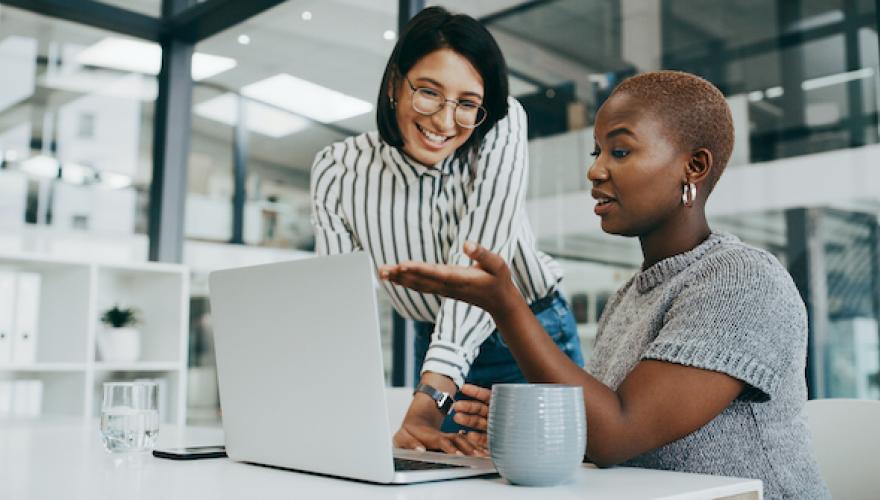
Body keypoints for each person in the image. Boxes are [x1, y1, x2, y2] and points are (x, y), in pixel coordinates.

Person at [379, 71, 830, 499]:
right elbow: (601, 436)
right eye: (596, 153)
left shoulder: (742, 281)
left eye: (619, 152)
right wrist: (537, 420)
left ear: (694, 166)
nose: (595, 171)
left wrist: (505, 304)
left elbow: (617, 435)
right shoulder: (630, 295)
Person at [309, 6, 583, 455]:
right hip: (432, 339)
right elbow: (337, 308)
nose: (443, 121)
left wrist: (430, 402)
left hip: (528, 334)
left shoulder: (500, 124)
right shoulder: (338, 168)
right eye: (429, 93)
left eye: (467, 103)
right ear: (396, 83)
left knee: (554, 475)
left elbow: (477, 273)